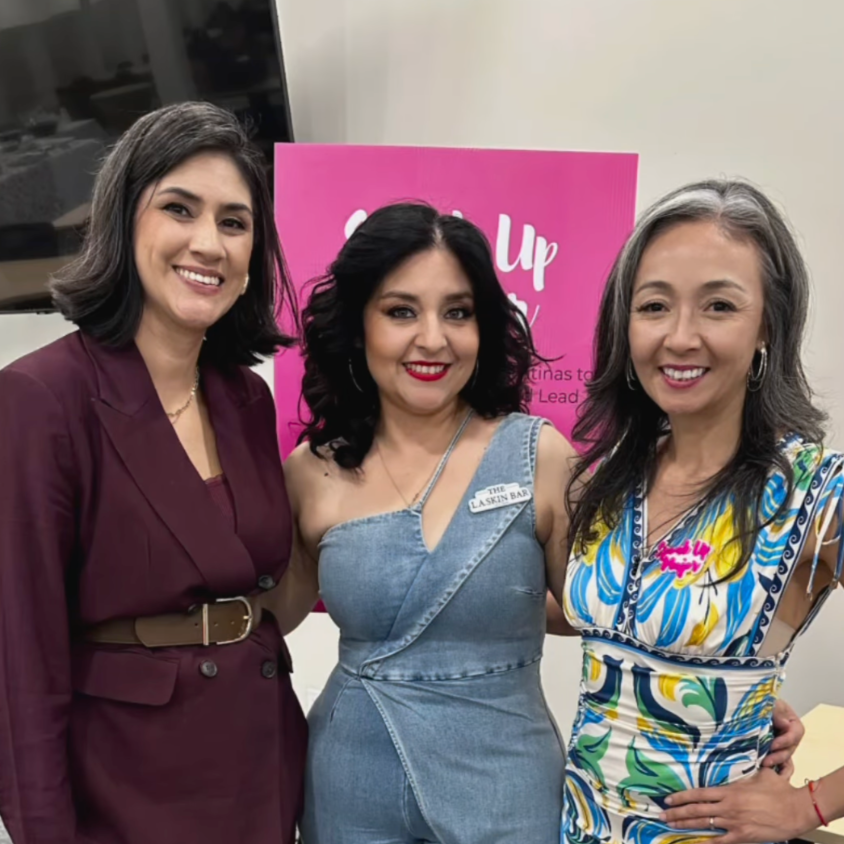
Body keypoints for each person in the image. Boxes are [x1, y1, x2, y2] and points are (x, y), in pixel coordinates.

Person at [265, 200, 803, 844]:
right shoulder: (310, 471)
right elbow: (273, 618)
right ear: (358, 327)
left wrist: (721, 693)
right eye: (400, 310)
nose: (432, 338)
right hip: (350, 783)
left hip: (506, 786)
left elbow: (603, 607)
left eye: (458, 312)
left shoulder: (540, 456)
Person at [0, 102, 307, 844]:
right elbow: (19, 662)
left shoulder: (245, 396)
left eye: (234, 223)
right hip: (131, 791)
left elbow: (270, 586)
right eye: (179, 208)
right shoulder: (41, 398)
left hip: (263, 767)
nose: (210, 243)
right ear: (123, 222)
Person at [561, 179, 842, 844]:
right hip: (576, 827)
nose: (680, 336)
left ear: (767, 325)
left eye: (718, 305)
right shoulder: (611, 477)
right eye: (655, 306)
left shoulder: (815, 491)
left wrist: (810, 806)